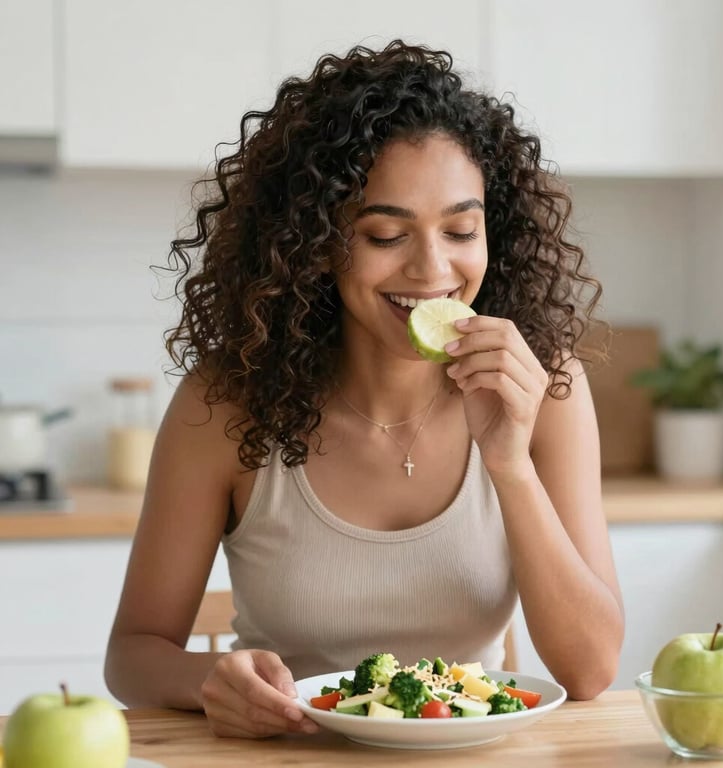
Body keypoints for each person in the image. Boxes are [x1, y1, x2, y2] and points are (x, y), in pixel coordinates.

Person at [104, 39, 624, 739]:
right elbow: (132, 654)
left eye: (461, 230)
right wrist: (210, 681)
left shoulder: (542, 384)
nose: (433, 270)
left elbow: (589, 671)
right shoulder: (225, 401)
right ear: (315, 241)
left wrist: (509, 463)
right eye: (385, 236)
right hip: (285, 754)